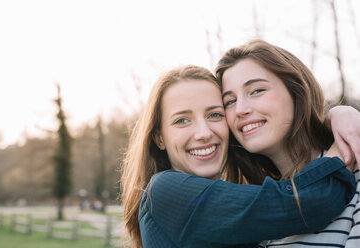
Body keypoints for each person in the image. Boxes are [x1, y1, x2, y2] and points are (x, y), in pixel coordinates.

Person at [121, 65, 359, 247]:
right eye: (182, 120)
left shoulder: (238, 196)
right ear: (159, 138)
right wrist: (341, 134)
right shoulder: (165, 192)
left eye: (215, 115)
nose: (204, 133)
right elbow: (304, 203)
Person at [216, 39, 359, 247]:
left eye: (257, 90)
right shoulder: (258, 207)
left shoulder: (354, 167)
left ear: (296, 91)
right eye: (229, 101)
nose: (240, 109)